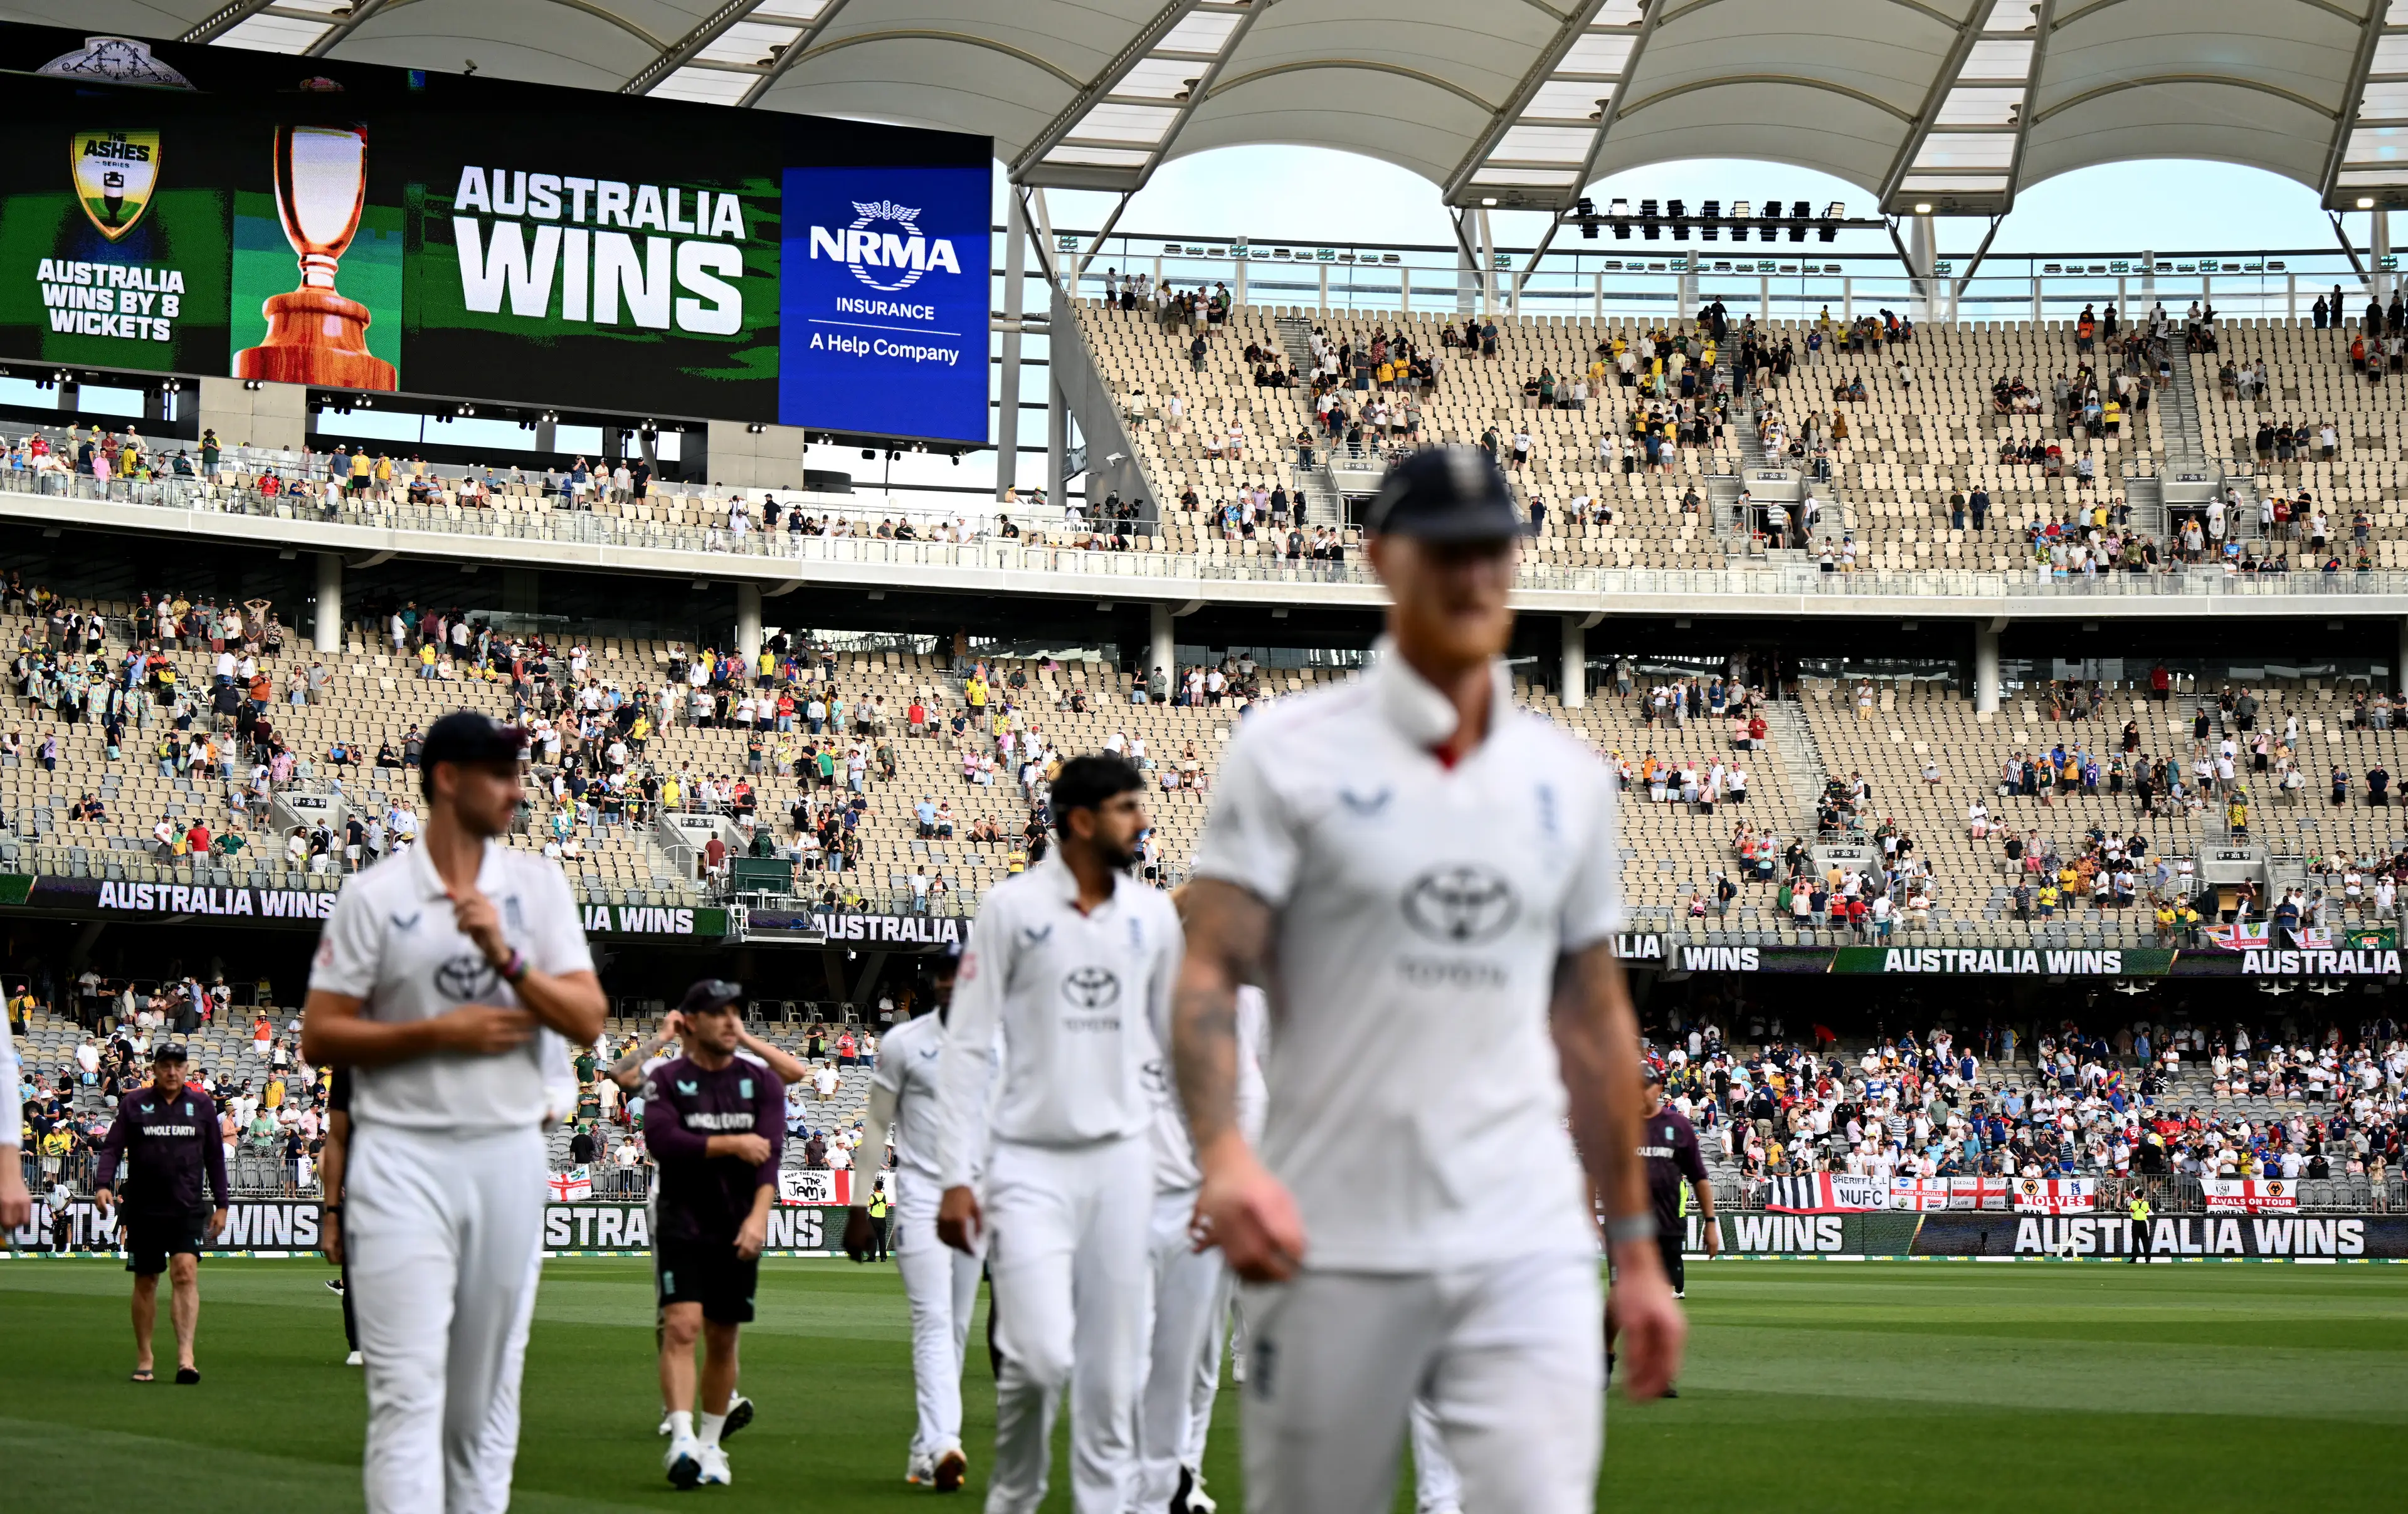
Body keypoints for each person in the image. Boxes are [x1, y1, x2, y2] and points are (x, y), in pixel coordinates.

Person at [1172, 443, 1685, 1514]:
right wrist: (1223, 1154)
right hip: (1333, 1234)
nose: (1474, 576)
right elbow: (1211, 964)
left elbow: (1595, 1021)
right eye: (1445, 551)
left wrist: (1635, 1252)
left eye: (1495, 550)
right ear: (1380, 561)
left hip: (1524, 1236)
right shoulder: (1285, 752)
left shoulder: (1570, 782)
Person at [300, 710, 608, 1513]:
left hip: (506, 1160)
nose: (518, 790)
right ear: (448, 779)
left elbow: (586, 1019)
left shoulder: (536, 887)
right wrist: (442, 1031)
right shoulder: (376, 894)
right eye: (501, 774)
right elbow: (320, 1034)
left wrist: (506, 958)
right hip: (400, 1160)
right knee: (406, 1400)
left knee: (478, 1407)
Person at [932, 753, 1183, 1514]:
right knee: (1038, 1362)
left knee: (1113, 1384)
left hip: (1123, 1167)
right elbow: (968, 1046)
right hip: (1029, 1166)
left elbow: (1175, 1049)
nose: (1143, 821)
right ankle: (1013, 1497)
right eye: (1126, 809)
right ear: (1080, 821)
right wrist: (955, 1175)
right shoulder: (1009, 908)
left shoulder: (1154, 916)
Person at [847, 944, 993, 1492]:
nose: (951, 983)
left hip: (977, 1199)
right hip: (920, 1196)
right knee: (934, 1322)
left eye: (961, 973)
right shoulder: (904, 1042)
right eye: (943, 975)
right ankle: (944, 1444)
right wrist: (859, 1207)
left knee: (955, 1327)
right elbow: (876, 1127)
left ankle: (923, 1450)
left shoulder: (1001, 1041)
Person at [643, 980, 784, 1489]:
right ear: (692, 1021)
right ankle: (681, 1437)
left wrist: (758, 1217)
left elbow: (769, 1160)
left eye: (735, 1011)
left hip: (737, 1221)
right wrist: (731, 1142)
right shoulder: (667, 1078)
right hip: (683, 1218)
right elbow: (662, 1141)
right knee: (681, 1327)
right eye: (717, 1012)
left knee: (724, 1339)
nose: (730, 1021)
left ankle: (710, 1443)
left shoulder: (761, 1082)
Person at [92, 1043, 230, 1383]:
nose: (172, 1072)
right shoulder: (134, 1103)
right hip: (144, 1207)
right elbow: (112, 1147)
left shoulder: (201, 1105)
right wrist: (103, 1183)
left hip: (186, 1206)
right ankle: (146, 1356)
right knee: (146, 1280)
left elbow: (215, 1156)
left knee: (185, 1272)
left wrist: (223, 1204)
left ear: (186, 1070)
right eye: (165, 1065)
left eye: (178, 1066)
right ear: (154, 1068)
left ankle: (186, 1358)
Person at [321, 1065, 363, 1365]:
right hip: (361, 1198)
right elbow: (333, 1143)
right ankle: (359, 1346)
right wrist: (332, 1210)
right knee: (355, 1274)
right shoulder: (349, 1068)